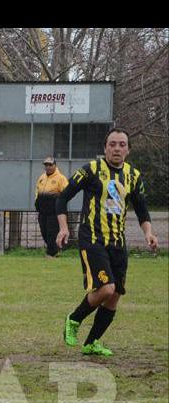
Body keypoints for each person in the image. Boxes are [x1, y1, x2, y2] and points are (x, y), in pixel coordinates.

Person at [57, 128, 159, 356]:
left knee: (114, 296)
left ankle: (92, 342)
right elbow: (62, 198)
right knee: (105, 288)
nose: (117, 148)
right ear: (105, 148)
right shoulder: (91, 170)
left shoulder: (133, 176)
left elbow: (142, 211)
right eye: (112, 144)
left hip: (118, 244)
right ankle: (73, 319)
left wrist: (148, 233)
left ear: (128, 150)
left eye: (122, 144)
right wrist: (64, 228)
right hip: (92, 240)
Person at [34, 156, 68, 258]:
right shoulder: (42, 177)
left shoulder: (61, 178)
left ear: (55, 165)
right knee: (44, 231)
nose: (48, 167)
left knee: (51, 233)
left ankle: (51, 253)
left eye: (50, 165)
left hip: (54, 212)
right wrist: (36, 203)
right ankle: (55, 250)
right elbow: (37, 191)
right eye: (46, 165)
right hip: (42, 211)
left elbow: (66, 194)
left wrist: (60, 206)